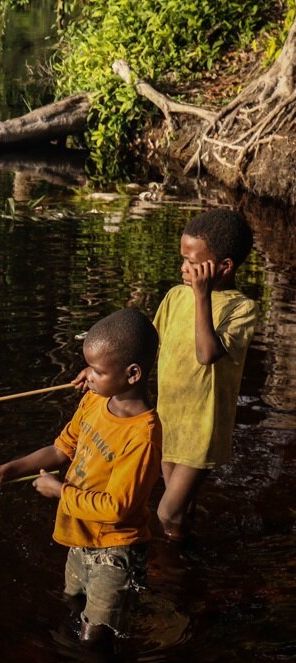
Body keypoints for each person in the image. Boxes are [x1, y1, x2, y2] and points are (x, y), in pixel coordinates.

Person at [0, 309, 162, 646]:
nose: (87, 375)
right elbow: (61, 450)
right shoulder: (94, 400)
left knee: (95, 639)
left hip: (115, 551)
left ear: (132, 374)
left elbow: (118, 508)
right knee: (72, 604)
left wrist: (60, 491)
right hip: (79, 537)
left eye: (98, 370)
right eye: (89, 366)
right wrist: (5, 469)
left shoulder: (141, 436)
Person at [147, 208, 260, 541]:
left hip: (203, 427)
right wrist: (102, 374)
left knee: (166, 514)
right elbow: (149, 348)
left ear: (223, 267)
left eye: (192, 262)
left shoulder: (242, 309)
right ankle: (189, 556)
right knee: (181, 508)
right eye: (183, 258)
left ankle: (172, 575)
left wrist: (201, 297)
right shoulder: (173, 297)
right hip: (170, 420)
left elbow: (206, 354)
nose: (183, 268)